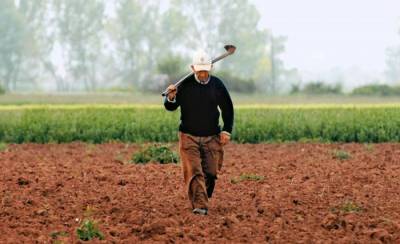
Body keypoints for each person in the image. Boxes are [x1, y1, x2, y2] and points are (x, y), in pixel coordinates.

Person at [163, 50, 234, 215]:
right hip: (189, 136)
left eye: (205, 70)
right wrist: (171, 97)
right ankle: (200, 205)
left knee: (210, 172)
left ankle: (202, 196)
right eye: (199, 70)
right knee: (194, 171)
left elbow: (227, 108)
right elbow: (170, 106)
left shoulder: (217, 85)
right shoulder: (184, 86)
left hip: (212, 136)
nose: (203, 74)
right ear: (193, 68)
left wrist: (227, 130)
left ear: (210, 68)